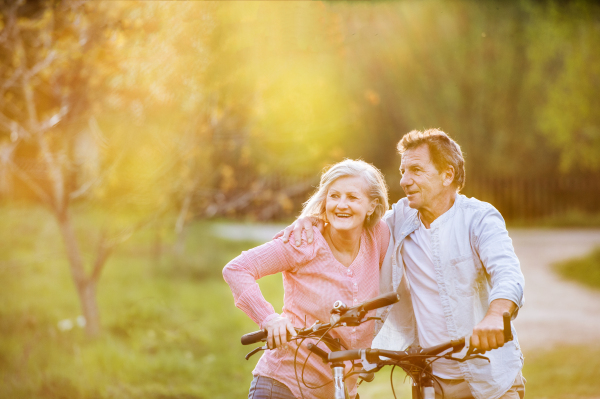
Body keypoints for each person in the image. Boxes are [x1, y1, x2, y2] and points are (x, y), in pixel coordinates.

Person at [281, 129, 526, 399]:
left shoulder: (479, 219)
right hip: (432, 381)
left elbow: (508, 274)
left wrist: (495, 315)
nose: (405, 181)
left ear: (447, 175)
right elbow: (352, 220)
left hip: (490, 377)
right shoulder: (399, 219)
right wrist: (313, 220)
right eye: (403, 171)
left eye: (416, 170)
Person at [222, 159, 391, 399]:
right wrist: (268, 318)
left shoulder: (379, 236)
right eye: (334, 196)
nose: (341, 205)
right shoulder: (304, 241)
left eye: (353, 198)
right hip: (284, 385)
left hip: (342, 389)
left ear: (372, 206)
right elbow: (237, 269)